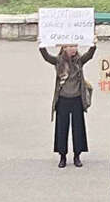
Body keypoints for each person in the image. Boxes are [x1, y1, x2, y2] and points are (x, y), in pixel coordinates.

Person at [39, 40, 96, 168]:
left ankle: (77, 155)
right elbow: (47, 57)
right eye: (70, 46)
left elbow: (90, 55)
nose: (73, 49)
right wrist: (41, 44)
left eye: (75, 46)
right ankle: (62, 156)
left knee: (78, 128)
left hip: (77, 99)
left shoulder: (79, 61)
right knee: (61, 128)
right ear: (64, 48)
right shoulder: (59, 61)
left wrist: (93, 44)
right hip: (63, 99)